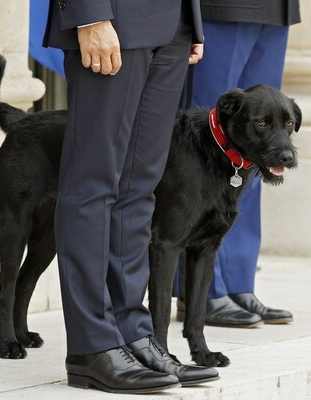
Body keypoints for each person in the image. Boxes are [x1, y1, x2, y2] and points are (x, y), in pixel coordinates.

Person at [42, 0, 219, 394]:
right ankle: (92, 347)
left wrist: (190, 21)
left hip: (172, 23)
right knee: (92, 185)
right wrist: (88, 14)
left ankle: (132, 333)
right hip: (113, 17)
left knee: (139, 188)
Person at [175, 0, 301, 328]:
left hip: (276, 9)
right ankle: (203, 288)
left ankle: (238, 281)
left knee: (262, 148)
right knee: (209, 145)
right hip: (221, 7)